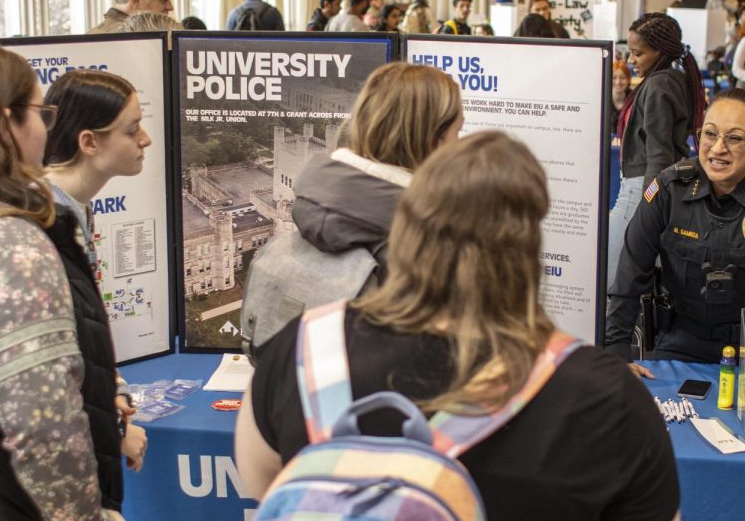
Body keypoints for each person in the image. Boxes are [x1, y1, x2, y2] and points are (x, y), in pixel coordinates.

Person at [236, 131, 681, 520]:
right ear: (528, 249)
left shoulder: (306, 348)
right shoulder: (602, 397)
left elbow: (263, 486)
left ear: (405, 229)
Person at [0, 41, 120, 520]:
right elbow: (44, 428)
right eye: (41, 113)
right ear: (5, 123)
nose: (46, 127)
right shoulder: (5, 247)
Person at [606, 89, 745, 398]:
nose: (718, 148)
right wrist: (617, 350)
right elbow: (630, 272)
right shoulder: (669, 191)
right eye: (710, 134)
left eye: (735, 138)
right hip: (680, 343)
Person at [42, 69, 152, 513]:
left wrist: (114, 390)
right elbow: (50, 368)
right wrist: (116, 433)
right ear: (89, 143)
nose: (145, 138)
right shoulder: (42, 225)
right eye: (131, 129)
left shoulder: (71, 211)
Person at [289, 62, 463, 277]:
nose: (459, 145)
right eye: (457, 131)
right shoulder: (429, 245)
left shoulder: (312, 204)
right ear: (432, 139)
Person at [606, 12, 705, 289]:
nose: (631, 61)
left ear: (659, 51)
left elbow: (659, 154)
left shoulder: (660, 84)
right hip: (647, 188)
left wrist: (651, 208)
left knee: (610, 280)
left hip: (643, 191)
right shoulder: (668, 80)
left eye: (637, 54)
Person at [89, 0, 174, 34]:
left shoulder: (93, 36)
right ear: (136, 0)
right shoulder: (136, 39)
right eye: (164, 0)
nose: (170, 7)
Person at [611, 60, 632, 130]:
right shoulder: (601, 100)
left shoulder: (635, 99)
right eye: (614, 78)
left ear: (628, 79)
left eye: (623, 78)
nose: (618, 82)